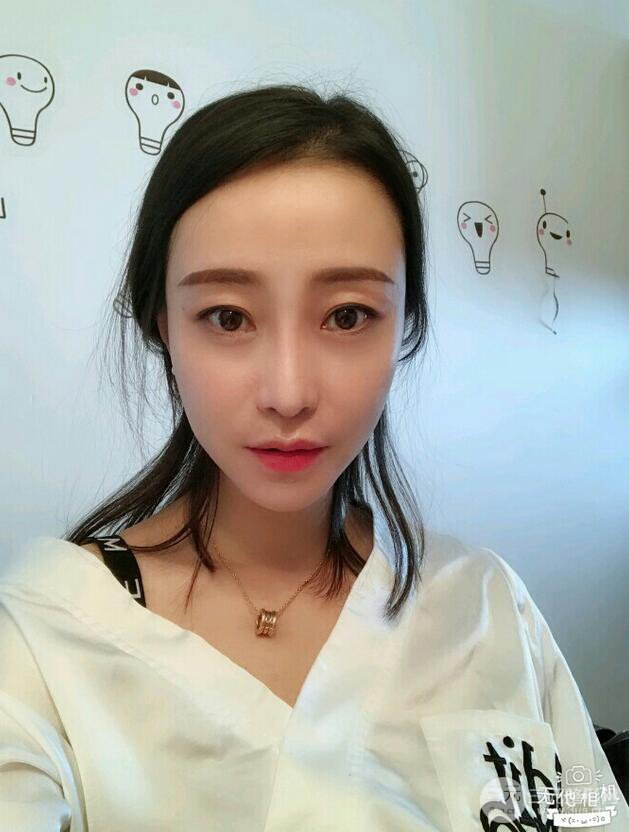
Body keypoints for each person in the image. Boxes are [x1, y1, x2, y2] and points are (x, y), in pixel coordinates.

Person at [1, 82, 626, 831]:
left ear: (404, 324)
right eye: (227, 317)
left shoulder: (488, 604)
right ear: (163, 324)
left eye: (347, 315)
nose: (289, 394)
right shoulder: (44, 635)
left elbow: (590, 809)